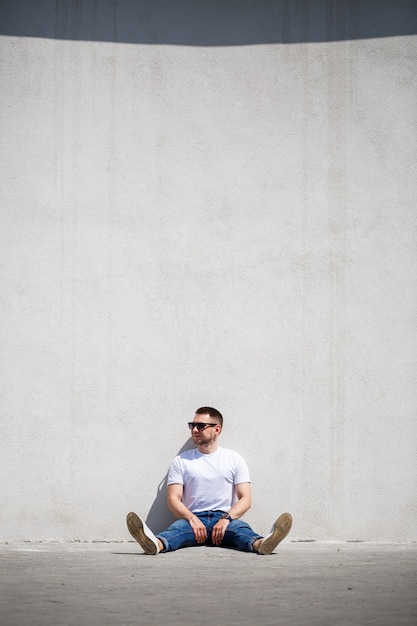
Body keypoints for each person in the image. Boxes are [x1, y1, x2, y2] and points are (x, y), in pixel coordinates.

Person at [126, 406, 292, 554]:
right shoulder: (182, 461)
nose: (194, 430)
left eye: (201, 426)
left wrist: (226, 519)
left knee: (242, 531)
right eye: (192, 425)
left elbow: (246, 499)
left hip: (225, 519)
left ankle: (263, 543)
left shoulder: (234, 459)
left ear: (217, 429)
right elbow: (173, 499)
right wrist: (191, 519)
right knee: (176, 531)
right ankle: (155, 544)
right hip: (192, 519)